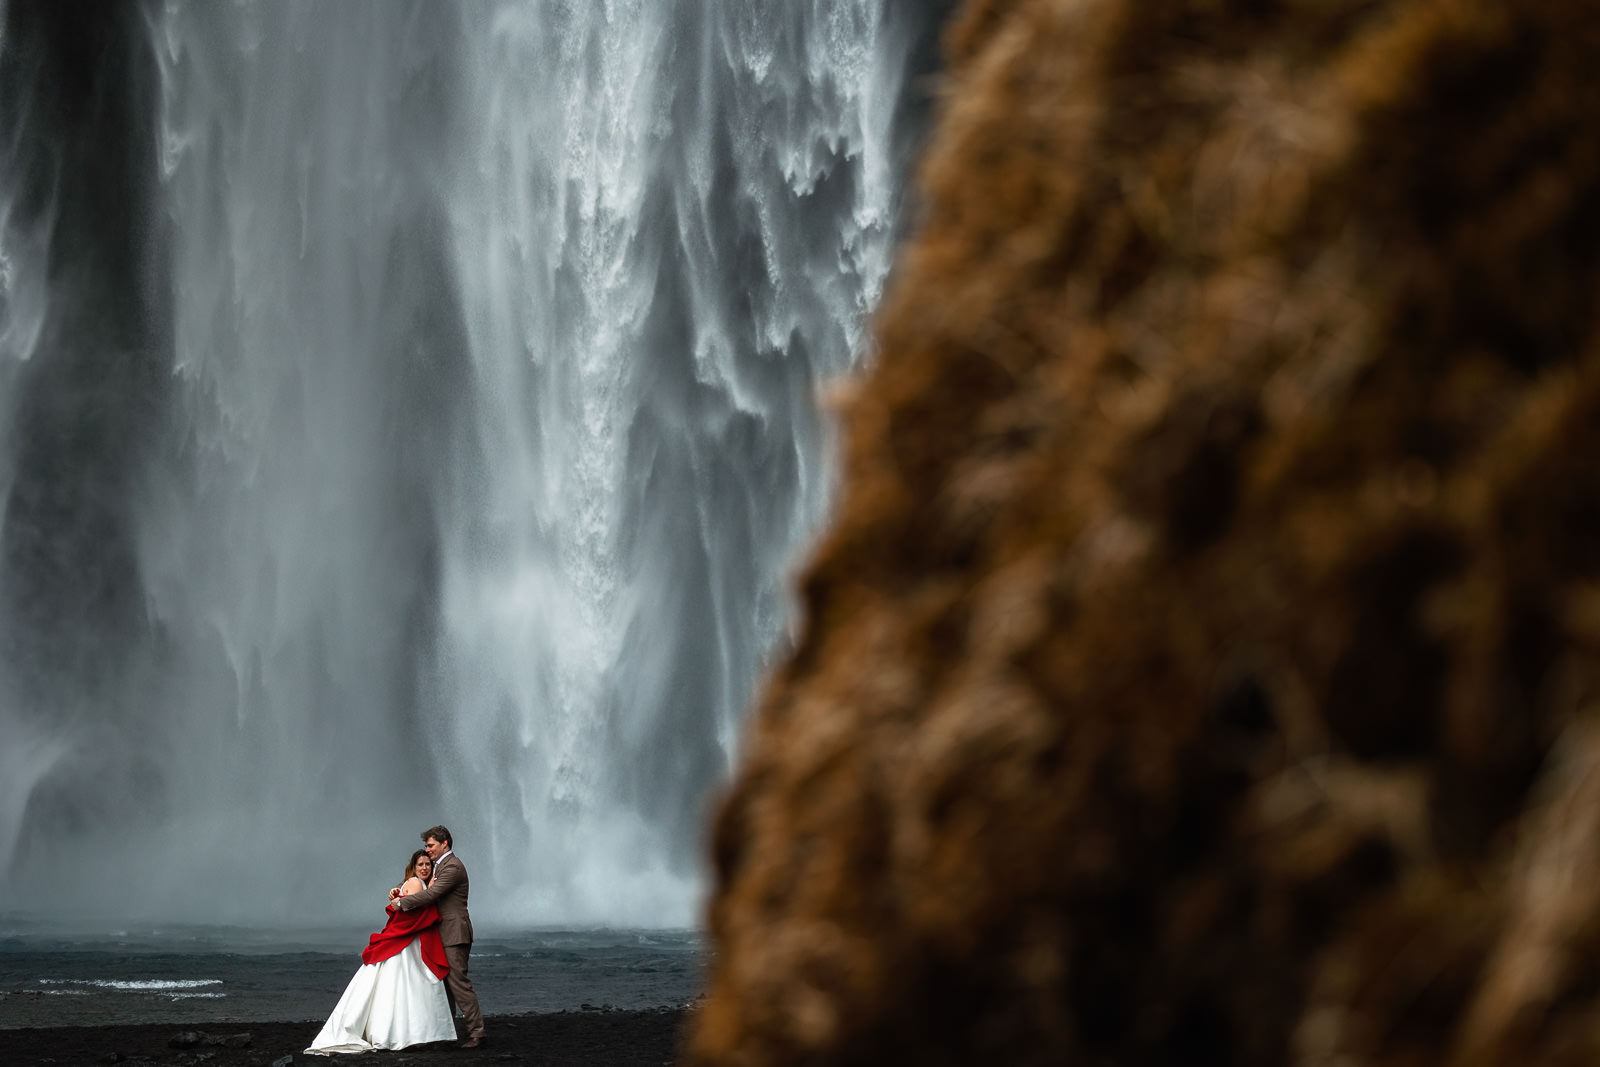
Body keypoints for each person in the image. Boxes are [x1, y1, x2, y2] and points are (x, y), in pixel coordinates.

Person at [304, 850, 455, 1055]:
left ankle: (408, 1034)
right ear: (413, 866)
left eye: (428, 864)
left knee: (404, 987)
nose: (425, 868)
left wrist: (399, 896)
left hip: (411, 940)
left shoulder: (416, 883)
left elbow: (405, 905)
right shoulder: (416, 883)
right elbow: (410, 910)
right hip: (409, 941)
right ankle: (415, 1034)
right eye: (420, 864)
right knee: (410, 986)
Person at [390, 825, 485, 1048]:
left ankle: (477, 1033)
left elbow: (432, 893)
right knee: (442, 984)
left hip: (454, 933)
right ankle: (445, 1033)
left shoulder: (453, 867)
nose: (428, 850)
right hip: (442, 934)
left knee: (458, 984)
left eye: (431, 845)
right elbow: (419, 880)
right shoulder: (439, 866)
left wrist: (402, 902)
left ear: (445, 844)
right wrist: (398, 889)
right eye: (426, 846)